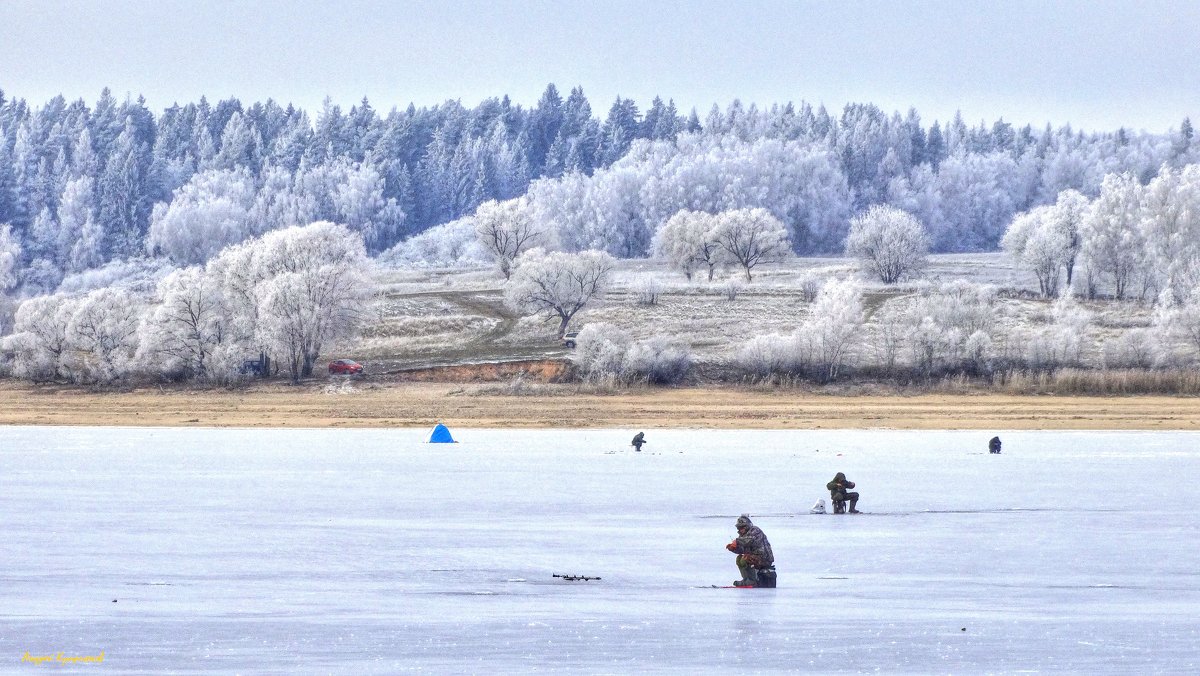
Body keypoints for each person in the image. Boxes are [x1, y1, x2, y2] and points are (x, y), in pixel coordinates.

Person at [725, 514, 776, 587]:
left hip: (764, 558)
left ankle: (752, 580)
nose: (740, 530)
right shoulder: (743, 537)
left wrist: (737, 542)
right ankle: (746, 579)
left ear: (746, 526)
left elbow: (749, 540)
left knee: (746, 558)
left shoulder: (755, 530)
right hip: (755, 557)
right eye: (738, 528)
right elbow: (743, 549)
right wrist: (733, 548)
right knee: (739, 558)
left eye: (741, 527)